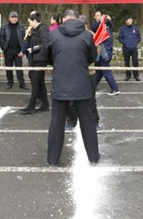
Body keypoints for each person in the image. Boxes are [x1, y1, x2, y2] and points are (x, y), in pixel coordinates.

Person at [45, 9, 100, 167]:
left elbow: (47, 56)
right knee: (88, 122)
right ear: (78, 19)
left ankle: (53, 159)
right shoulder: (87, 35)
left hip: (60, 83)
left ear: (63, 19)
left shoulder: (53, 35)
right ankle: (93, 157)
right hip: (82, 83)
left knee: (57, 122)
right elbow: (92, 57)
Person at [21, 12, 50, 114]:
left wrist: (33, 49)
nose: (29, 24)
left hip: (40, 59)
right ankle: (45, 104)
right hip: (34, 59)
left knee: (35, 81)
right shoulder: (34, 30)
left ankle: (31, 106)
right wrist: (28, 36)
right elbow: (31, 42)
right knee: (40, 82)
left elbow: (45, 43)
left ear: (34, 21)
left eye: (30, 22)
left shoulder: (43, 29)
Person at [0, 11, 27, 90]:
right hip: (8, 50)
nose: (14, 19)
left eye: (15, 17)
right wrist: (4, 48)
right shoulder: (4, 27)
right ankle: (10, 82)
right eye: (12, 17)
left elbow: (24, 39)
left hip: (18, 51)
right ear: (9, 18)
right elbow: (1, 38)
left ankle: (22, 83)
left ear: (17, 18)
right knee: (8, 68)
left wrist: (23, 50)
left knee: (19, 68)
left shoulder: (21, 27)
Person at [118, 17, 141, 81]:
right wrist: (125, 43)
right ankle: (128, 75)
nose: (130, 21)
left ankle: (136, 75)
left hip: (134, 48)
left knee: (135, 62)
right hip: (126, 48)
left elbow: (138, 37)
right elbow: (120, 38)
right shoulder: (122, 29)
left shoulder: (135, 28)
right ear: (126, 21)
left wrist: (135, 43)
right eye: (129, 20)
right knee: (127, 62)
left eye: (131, 19)